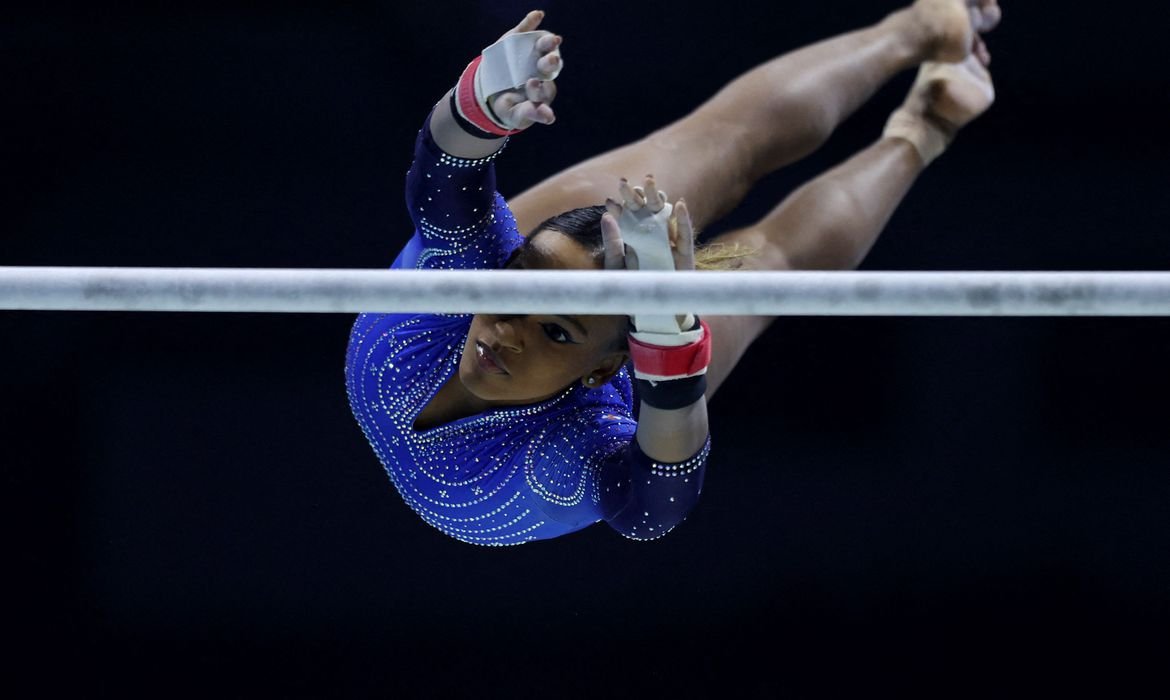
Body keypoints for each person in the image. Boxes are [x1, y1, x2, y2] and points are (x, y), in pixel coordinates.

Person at [345, 1, 1002, 546]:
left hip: (650, 357)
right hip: (659, 354)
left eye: (556, 332)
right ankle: (926, 120)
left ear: (605, 368)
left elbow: (649, 507)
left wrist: (658, 333)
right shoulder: (462, 282)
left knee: (734, 144)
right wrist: (481, 98)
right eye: (521, 289)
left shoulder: (573, 442)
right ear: (506, 264)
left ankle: (917, 30)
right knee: (769, 255)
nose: (508, 332)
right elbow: (443, 175)